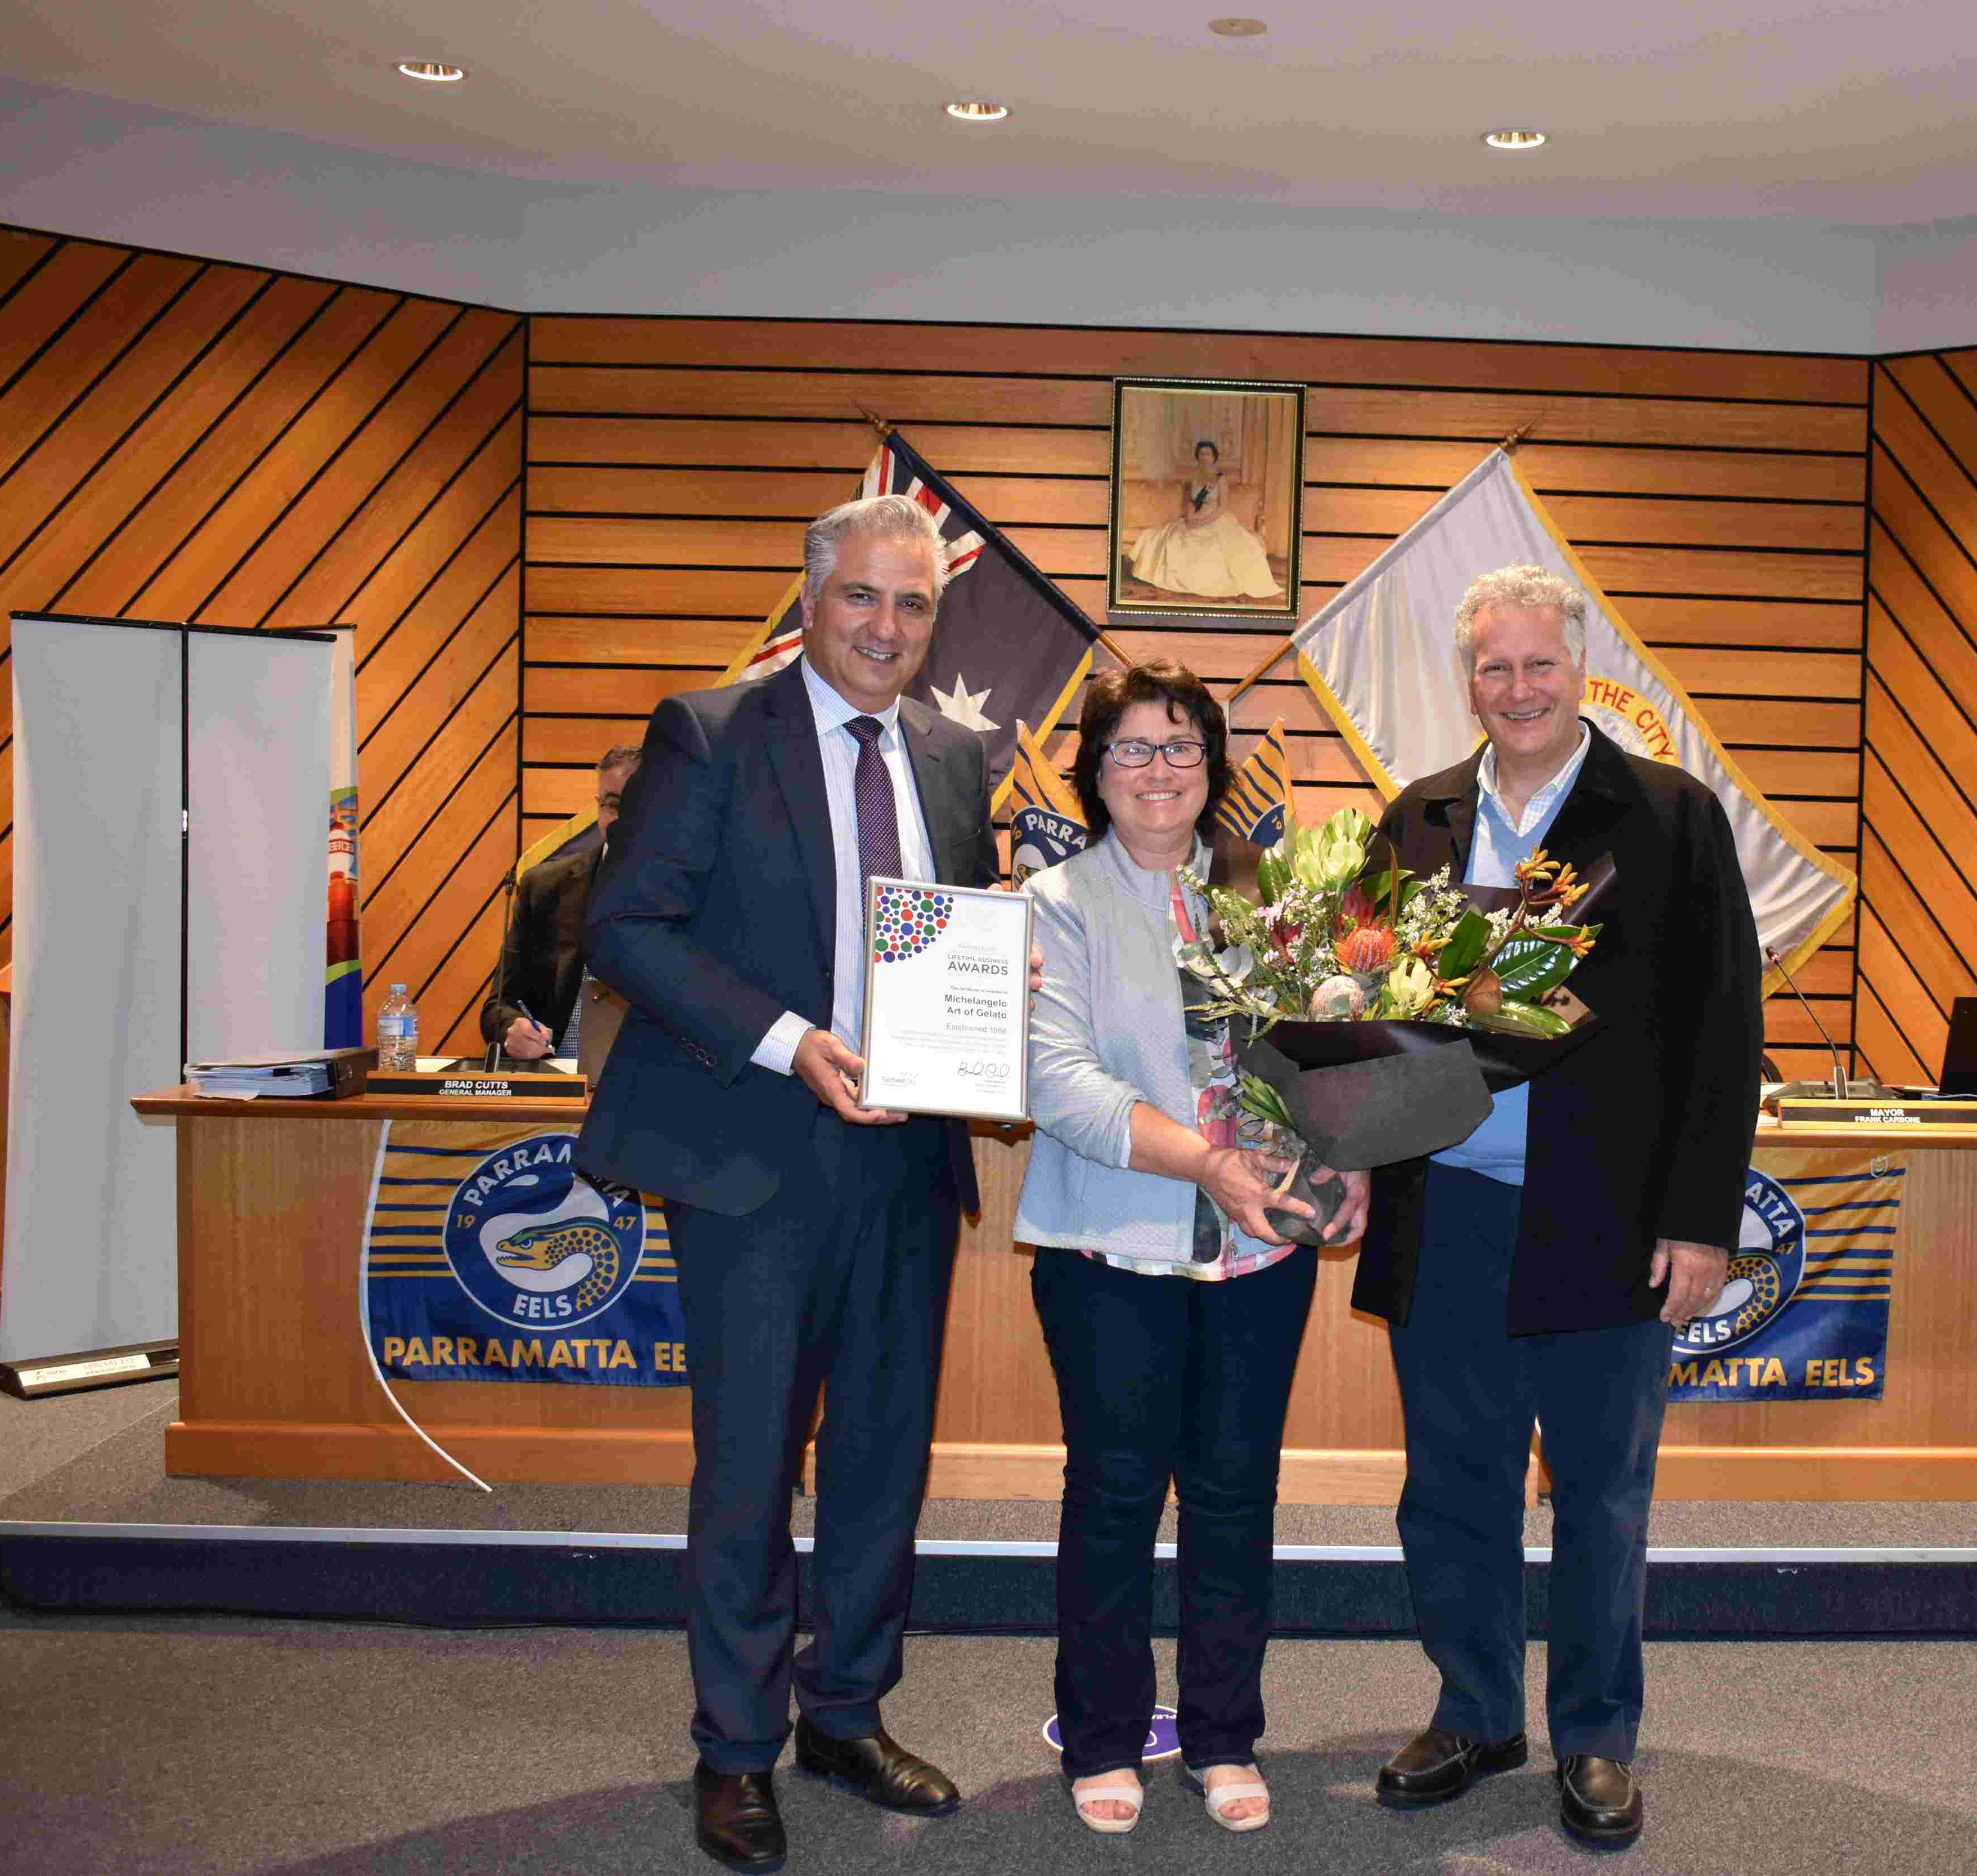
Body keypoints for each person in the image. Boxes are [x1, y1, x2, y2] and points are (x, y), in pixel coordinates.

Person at [578, 494, 994, 1873]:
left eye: (916, 604)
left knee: (883, 1460)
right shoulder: (708, 732)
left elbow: (959, 944)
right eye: (865, 597)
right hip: (752, 1153)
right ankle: (736, 1747)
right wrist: (785, 1040)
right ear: (811, 599)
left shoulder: (950, 757)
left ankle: (848, 1711)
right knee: (752, 1463)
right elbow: (625, 926)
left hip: (906, 1160)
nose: (888, 627)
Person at [1355, 565, 1759, 1850]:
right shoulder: (1413, 823)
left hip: (1612, 1222)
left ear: (1579, 673)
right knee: (1453, 1487)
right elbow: (1365, 1024)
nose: (1516, 689)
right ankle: (1476, 1712)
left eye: (1539, 665)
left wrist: (1701, 1222)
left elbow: (1721, 1032)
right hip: (1453, 1218)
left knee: (1599, 1495)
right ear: (1463, 680)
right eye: (1492, 667)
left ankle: (1594, 1734)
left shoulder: (1669, 816)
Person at [1014, 659, 1368, 1835]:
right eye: (1131, 748)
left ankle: (1223, 1735)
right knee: (1113, 1492)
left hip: (1259, 1257)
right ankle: (1104, 1736)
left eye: (1180, 747)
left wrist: (1352, 1155)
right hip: (1110, 1251)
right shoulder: (1053, 904)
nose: (1157, 770)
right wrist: (1209, 1162)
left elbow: (1329, 1057)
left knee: (1232, 1495)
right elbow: (1056, 1083)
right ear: (1094, 772)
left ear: (1213, 770)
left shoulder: (1271, 902)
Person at [482, 746, 639, 1063]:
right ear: (598, 806)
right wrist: (513, 1029)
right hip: (560, 1080)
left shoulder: (695, 893)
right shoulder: (545, 888)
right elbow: (498, 1006)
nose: (623, 819)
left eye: (637, 805)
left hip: (652, 1083)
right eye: (612, 805)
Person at [1126, 440, 1281, 602]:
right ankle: (1176, 579)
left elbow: (1222, 508)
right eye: (1201, 454)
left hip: (1217, 519)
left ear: (1214, 457)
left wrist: (1203, 522)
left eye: (1208, 454)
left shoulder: (1221, 480)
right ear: (1198, 458)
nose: (1205, 457)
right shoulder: (1196, 479)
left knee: (1212, 546)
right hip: (1196, 517)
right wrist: (1191, 519)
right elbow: (1193, 502)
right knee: (1173, 537)